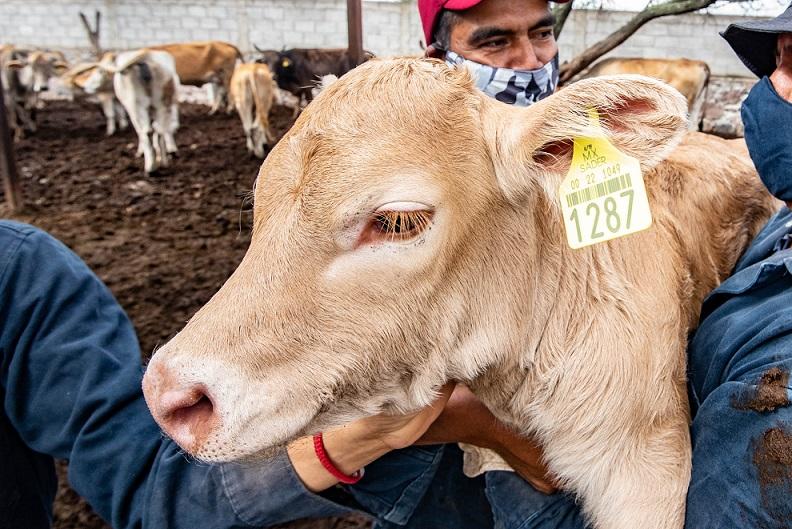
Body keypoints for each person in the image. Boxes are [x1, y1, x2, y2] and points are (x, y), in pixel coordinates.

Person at [1, 3, 569, 529]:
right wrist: (480, 422)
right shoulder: (372, 177)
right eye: (493, 42)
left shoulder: (587, 151)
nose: (527, 60)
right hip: (430, 477)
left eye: (541, 32)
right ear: (437, 56)